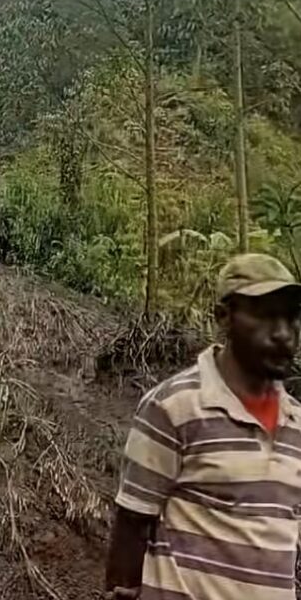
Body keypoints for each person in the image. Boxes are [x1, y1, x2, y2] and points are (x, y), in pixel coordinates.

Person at [105, 253, 301, 600]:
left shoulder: (297, 424)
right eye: (266, 316)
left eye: (291, 317)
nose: (284, 334)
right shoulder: (173, 407)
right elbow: (132, 525)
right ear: (224, 317)